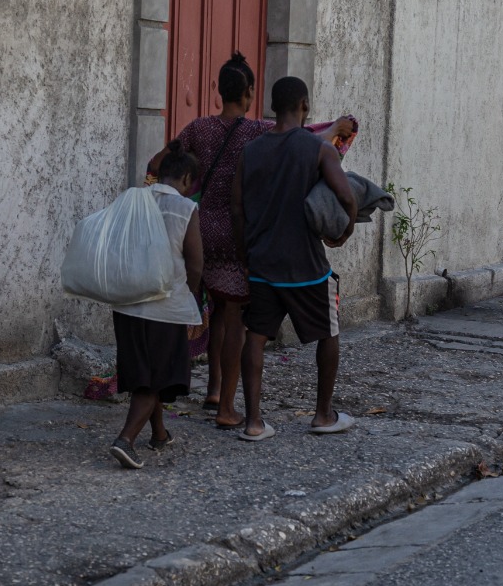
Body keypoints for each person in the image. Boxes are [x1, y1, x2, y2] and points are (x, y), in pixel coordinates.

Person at [155, 54, 353, 431]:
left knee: (214, 312)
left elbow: (160, 161)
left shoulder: (198, 128)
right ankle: (229, 407)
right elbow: (300, 142)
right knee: (235, 322)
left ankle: (216, 391)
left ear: (217, 91)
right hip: (235, 236)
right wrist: (337, 130)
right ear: (247, 93)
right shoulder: (254, 133)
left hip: (199, 231)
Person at [230, 76, 356, 442]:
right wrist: (343, 233)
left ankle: (254, 422)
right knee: (328, 331)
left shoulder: (250, 152)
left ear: (273, 106)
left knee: (255, 338)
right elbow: (346, 197)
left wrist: (244, 256)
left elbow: (236, 210)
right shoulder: (318, 149)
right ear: (305, 106)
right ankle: (322, 414)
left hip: (263, 265)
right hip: (306, 267)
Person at [108, 142, 205, 469]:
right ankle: (125, 440)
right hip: (164, 308)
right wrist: (189, 301)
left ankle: (159, 434)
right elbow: (195, 265)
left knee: (147, 372)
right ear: (186, 179)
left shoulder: (132, 200)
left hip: (126, 304)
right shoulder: (185, 208)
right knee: (155, 377)